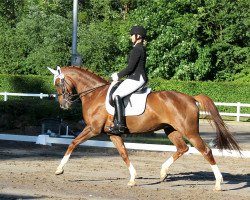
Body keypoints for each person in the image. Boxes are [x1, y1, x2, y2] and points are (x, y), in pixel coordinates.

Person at [108, 25, 148, 135]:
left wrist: (117, 76)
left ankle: (120, 125)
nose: (131, 37)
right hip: (135, 77)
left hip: (137, 78)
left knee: (116, 95)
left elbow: (130, 68)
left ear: (138, 36)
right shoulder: (139, 48)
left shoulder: (137, 49)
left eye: (132, 35)